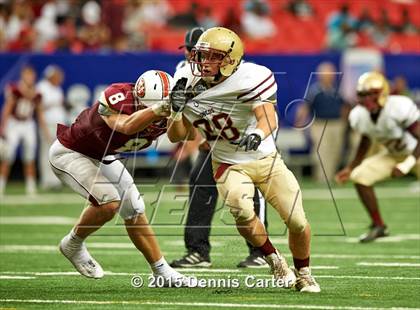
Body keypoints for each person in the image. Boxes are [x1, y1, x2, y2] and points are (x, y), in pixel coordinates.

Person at [167, 27, 320, 292]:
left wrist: (258, 134)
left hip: (265, 158)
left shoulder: (251, 77)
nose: (204, 63)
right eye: (202, 56)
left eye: (213, 57)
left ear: (230, 60)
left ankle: (304, 272)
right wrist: (176, 111)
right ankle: (273, 258)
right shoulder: (186, 80)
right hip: (228, 162)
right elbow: (177, 135)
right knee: (240, 206)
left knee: (297, 221)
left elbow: (268, 117)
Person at [49, 70, 194, 286]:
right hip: (71, 152)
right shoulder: (118, 95)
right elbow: (126, 126)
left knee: (134, 208)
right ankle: (72, 243)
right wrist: (159, 108)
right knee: (109, 203)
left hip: (104, 155)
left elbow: (180, 136)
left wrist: (178, 112)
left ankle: (161, 272)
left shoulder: (168, 105)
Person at [170, 27, 269, 269]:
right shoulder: (184, 74)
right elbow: (187, 117)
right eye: (191, 52)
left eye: (198, 52)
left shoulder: (240, 73)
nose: (193, 57)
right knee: (200, 185)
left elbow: (251, 112)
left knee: (248, 192)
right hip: (214, 139)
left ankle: (261, 251)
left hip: (244, 138)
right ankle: (197, 251)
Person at [335, 72, 420, 242]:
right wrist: (351, 167)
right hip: (394, 155)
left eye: (370, 94)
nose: (367, 99)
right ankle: (379, 225)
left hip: (415, 154)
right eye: (363, 95)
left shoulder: (399, 106)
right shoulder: (359, 115)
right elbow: (365, 141)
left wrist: (406, 165)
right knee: (360, 176)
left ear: (382, 93)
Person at [0, 65, 50, 196]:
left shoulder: (37, 93)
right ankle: (1, 185)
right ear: (22, 76)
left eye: (31, 75)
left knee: (30, 155)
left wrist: (46, 131)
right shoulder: (15, 90)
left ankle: (31, 186)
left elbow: (39, 113)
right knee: (8, 155)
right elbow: (7, 108)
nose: (30, 78)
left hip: (28, 124)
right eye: (27, 75)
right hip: (14, 123)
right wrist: (3, 127)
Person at [295, 62, 349, 183]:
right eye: (326, 73)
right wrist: (300, 122)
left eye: (331, 73)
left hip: (337, 124)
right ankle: (323, 179)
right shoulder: (314, 90)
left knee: (336, 151)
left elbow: (344, 106)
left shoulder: (337, 90)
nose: (329, 76)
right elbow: (304, 107)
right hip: (320, 124)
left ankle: (332, 177)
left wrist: (346, 121)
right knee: (322, 151)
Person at [36, 65, 66, 190]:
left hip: (58, 125)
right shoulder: (41, 87)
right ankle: (46, 181)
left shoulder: (57, 89)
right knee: (46, 152)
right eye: (57, 76)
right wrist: (43, 127)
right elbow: (39, 109)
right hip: (48, 124)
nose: (60, 78)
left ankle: (56, 181)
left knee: (58, 152)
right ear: (51, 76)